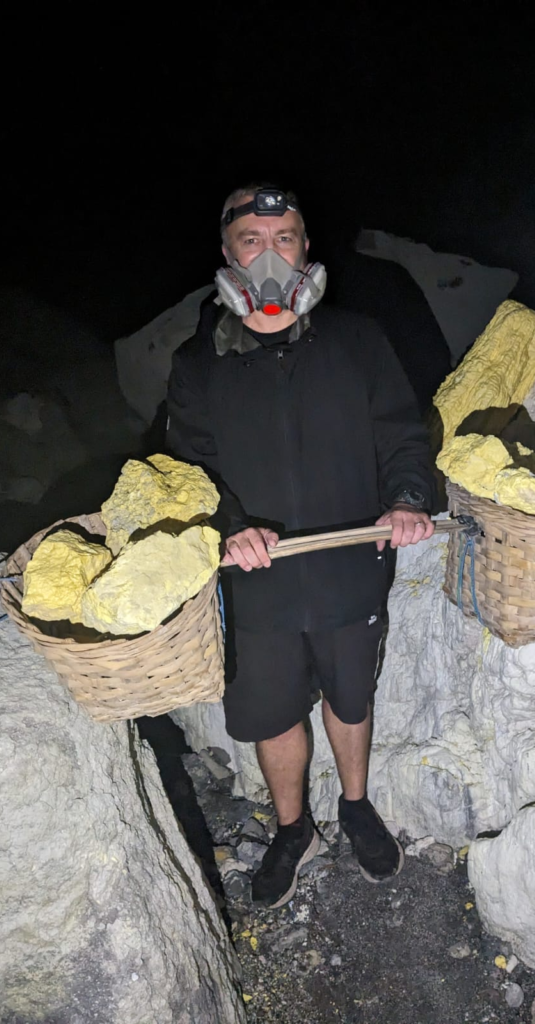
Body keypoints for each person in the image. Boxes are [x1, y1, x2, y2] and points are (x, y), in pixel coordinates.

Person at [166, 184, 436, 908]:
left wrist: (407, 500)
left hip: (352, 567)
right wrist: (227, 525)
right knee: (275, 711)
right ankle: (295, 828)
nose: (269, 256)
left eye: (284, 238)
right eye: (251, 241)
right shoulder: (199, 364)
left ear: (305, 250)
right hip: (262, 583)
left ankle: (353, 806)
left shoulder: (358, 339)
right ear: (227, 255)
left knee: (351, 697)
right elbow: (186, 474)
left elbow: (403, 436)